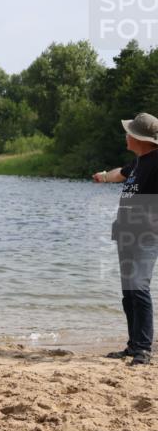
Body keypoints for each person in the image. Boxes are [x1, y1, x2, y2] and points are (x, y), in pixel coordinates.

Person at [93, 112, 158, 366]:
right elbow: (121, 172)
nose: (125, 135)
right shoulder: (139, 161)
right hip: (127, 232)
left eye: (129, 131)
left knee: (139, 288)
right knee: (129, 292)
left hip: (147, 235)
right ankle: (132, 346)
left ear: (139, 138)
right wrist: (105, 177)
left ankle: (143, 349)